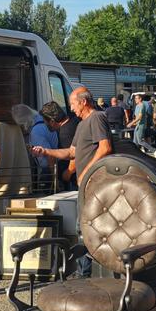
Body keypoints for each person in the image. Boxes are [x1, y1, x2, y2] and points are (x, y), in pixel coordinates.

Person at [32, 87, 113, 278]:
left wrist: (85, 171)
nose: (71, 108)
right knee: (82, 227)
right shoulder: (82, 124)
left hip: (95, 184)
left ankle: (86, 272)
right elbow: (70, 152)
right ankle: (83, 271)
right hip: (86, 185)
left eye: (73, 103)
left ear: (84, 102)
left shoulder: (96, 118)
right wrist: (45, 151)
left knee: (86, 227)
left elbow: (105, 148)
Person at [39, 101, 79, 190]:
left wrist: (68, 173)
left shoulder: (65, 133)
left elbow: (75, 155)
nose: (45, 125)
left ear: (52, 121)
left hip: (74, 178)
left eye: (45, 122)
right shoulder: (73, 118)